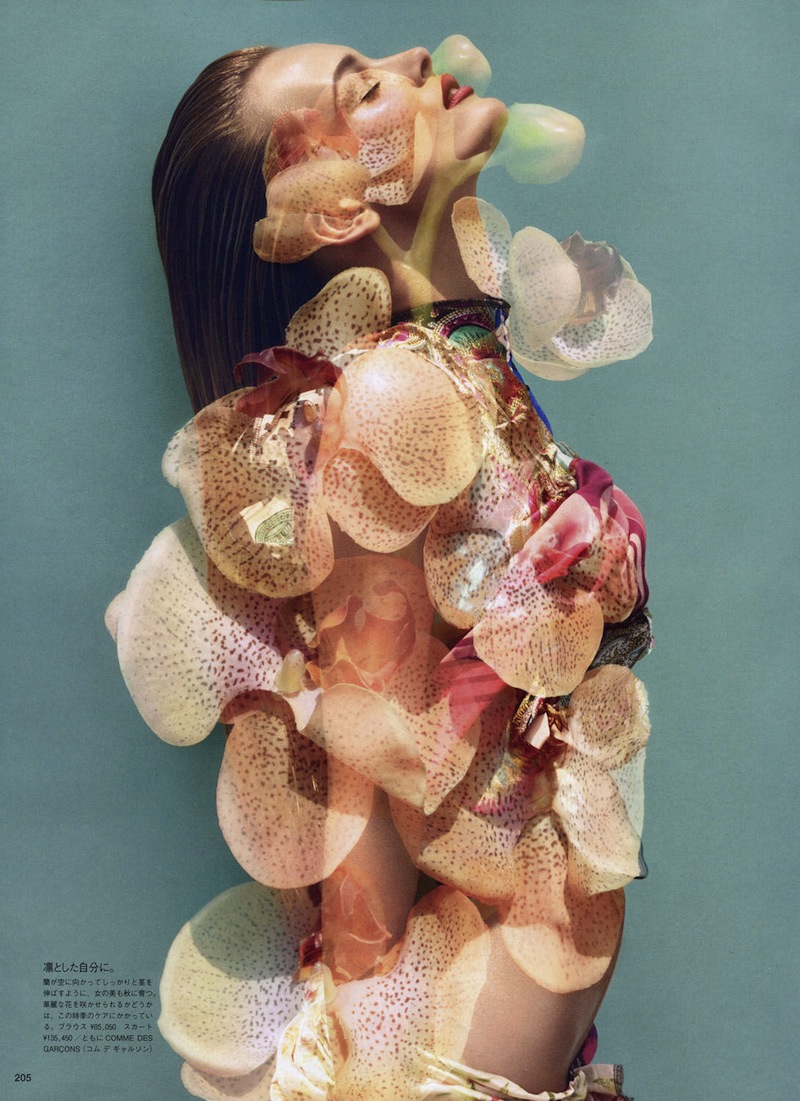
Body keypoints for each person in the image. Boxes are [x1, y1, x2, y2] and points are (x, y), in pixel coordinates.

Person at [111, 38, 653, 1101]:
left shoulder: (455, 366)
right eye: (364, 85)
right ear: (332, 212)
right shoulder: (385, 406)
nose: (419, 53)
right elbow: (366, 793)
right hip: (458, 1071)